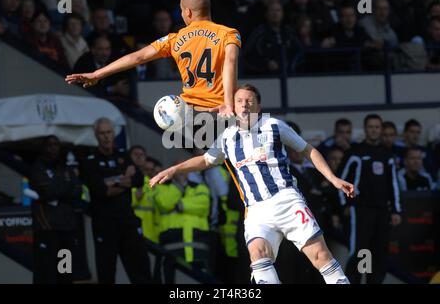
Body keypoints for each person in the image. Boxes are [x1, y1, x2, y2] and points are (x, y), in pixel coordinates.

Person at [150, 84, 355, 284]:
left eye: (249, 101)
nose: (244, 105)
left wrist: (333, 179)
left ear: (258, 106)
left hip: (286, 200)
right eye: (239, 101)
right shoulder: (227, 137)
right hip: (256, 210)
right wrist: (173, 169)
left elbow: (307, 150)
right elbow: (205, 160)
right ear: (233, 106)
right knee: (258, 256)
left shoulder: (273, 125)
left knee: (320, 255)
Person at [66, 0, 241, 118]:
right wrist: (227, 103)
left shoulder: (174, 39)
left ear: (187, 12)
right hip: (222, 110)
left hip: (190, 113)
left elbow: (137, 57)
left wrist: (97, 74)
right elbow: (230, 63)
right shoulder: (229, 33)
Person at [81, 117, 152, 284]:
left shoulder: (123, 156)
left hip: (127, 221)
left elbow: (139, 180)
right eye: (102, 133)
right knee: (106, 273)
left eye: (109, 132)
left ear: (114, 134)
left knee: (141, 271)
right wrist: (124, 179)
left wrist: (114, 182)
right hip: (104, 224)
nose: (106, 137)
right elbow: (101, 191)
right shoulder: (90, 162)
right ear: (96, 135)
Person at [338, 114, 402, 284]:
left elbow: (393, 185)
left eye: (377, 127)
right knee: (361, 251)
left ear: (381, 130)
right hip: (361, 210)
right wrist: (345, 205)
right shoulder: (355, 152)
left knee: (379, 253)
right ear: (365, 129)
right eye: (371, 127)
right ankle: (356, 281)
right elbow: (340, 180)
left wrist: (396, 210)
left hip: (382, 212)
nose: (374, 130)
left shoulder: (387, 155)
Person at [29, 135, 82, 284]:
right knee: (46, 270)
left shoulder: (65, 167)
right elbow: (48, 191)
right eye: (49, 144)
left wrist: (60, 190)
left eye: (56, 144)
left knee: (65, 270)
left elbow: (77, 191)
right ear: (43, 147)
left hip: (67, 228)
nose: (53, 148)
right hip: (47, 227)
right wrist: (66, 187)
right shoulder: (37, 167)